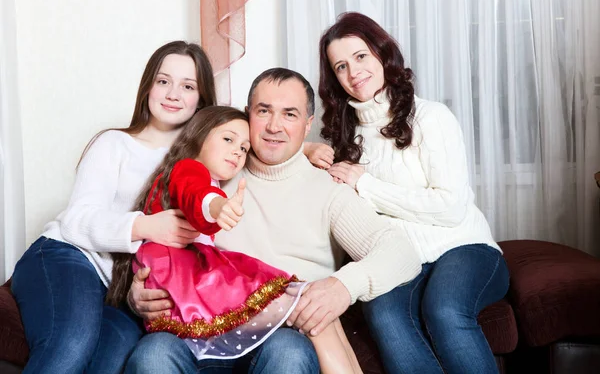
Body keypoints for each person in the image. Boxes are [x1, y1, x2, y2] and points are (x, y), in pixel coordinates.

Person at [124, 67, 423, 374]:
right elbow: (173, 220)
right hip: (197, 330)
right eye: (264, 111)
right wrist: (138, 296)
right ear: (247, 115)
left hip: (281, 335)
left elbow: (401, 253)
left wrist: (342, 287)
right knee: (153, 353)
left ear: (307, 126)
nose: (273, 126)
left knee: (287, 352)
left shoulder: (328, 191)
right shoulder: (218, 170)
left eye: (289, 115)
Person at [312, 11, 510, 374]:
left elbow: (450, 208)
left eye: (360, 57)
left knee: (444, 309)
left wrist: (365, 184)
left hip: (463, 246)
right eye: (340, 66)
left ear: (381, 54)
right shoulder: (342, 140)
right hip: (400, 260)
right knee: (384, 313)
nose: (353, 72)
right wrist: (310, 153)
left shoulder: (431, 117)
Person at [10, 40, 217, 373]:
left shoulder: (205, 170)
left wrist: (307, 153)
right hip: (69, 257)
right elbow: (76, 221)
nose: (173, 93)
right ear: (148, 87)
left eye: (188, 86)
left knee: (111, 359)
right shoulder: (115, 143)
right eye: (163, 81)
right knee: (70, 345)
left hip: (119, 294)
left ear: (201, 100)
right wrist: (146, 226)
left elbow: (254, 142)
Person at [109, 106, 361, 373]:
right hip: (188, 279)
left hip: (188, 280)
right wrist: (217, 207)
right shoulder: (188, 169)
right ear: (199, 135)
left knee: (317, 311)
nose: (237, 152)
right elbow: (196, 195)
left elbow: (266, 139)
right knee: (306, 306)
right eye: (228, 140)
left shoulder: (205, 171)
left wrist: (306, 149)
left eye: (244, 148)